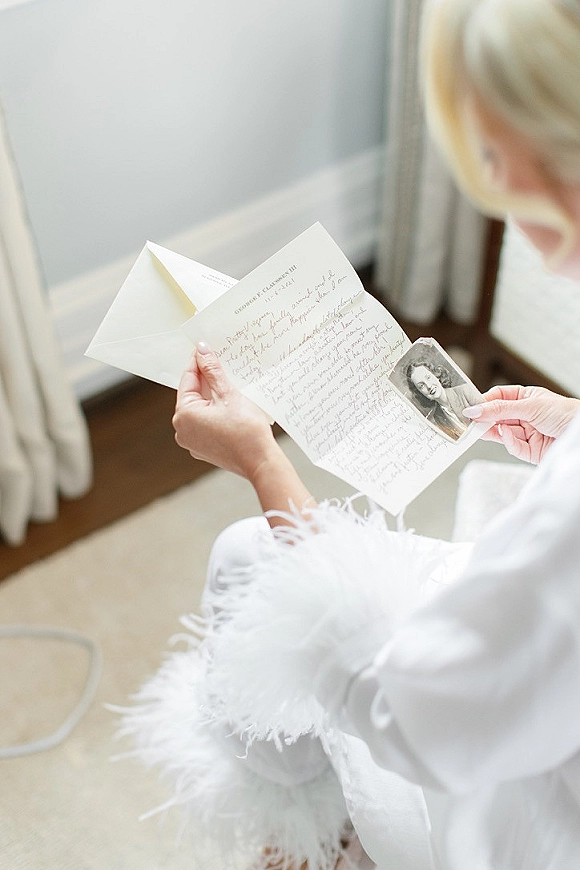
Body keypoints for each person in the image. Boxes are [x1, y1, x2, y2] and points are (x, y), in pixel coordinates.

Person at [121, 1, 580, 868]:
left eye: (495, 159)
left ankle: (312, 835)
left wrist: (261, 462)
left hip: (516, 812)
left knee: (251, 557)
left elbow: (413, 717)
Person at [405, 359, 474, 439]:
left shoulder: (466, 391)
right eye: (421, 386)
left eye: (428, 377)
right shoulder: (437, 418)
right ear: (420, 393)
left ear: (436, 375)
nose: (429, 386)